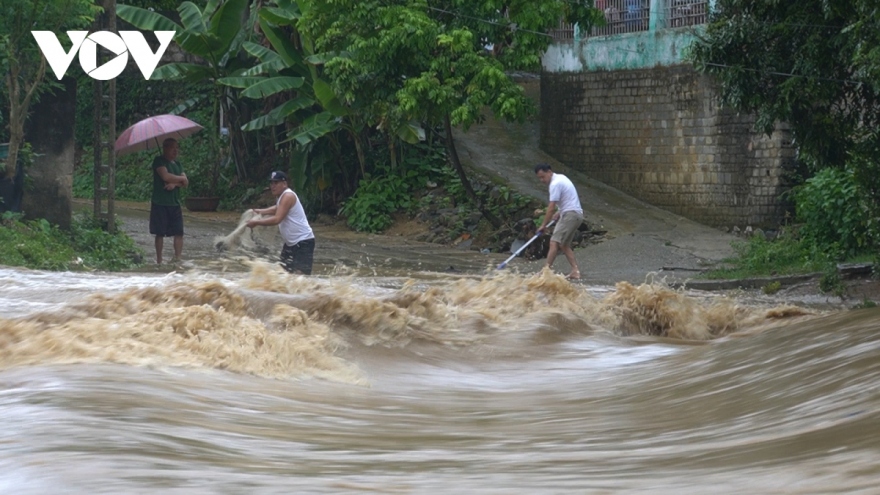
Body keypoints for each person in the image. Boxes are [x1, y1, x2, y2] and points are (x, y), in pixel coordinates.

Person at [247, 171, 316, 275]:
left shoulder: (288, 196)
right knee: (284, 275)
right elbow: (277, 208)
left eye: (276, 183)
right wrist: (260, 211)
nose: (273, 186)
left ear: (284, 184)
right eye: (271, 183)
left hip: (303, 242)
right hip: (290, 244)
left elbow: (277, 219)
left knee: (300, 277)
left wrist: (256, 222)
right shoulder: (281, 196)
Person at [534, 163, 584, 280]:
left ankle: (545, 271)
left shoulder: (555, 184)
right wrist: (560, 211)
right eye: (539, 178)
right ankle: (575, 271)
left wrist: (543, 225)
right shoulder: (561, 177)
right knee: (563, 244)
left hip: (570, 215)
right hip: (575, 214)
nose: (542, 180)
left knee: (554, 242)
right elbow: (567, 198)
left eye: (543, 177)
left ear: (549, 172)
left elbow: (551, 208)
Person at [150, 138, 188, 265]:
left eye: (177, 147)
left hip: (175, 203)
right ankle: (159, 260)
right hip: (160, 202)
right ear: (165, 148)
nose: (175, 151)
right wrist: (180, 179)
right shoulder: (159, 161)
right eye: (172, 147)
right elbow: (165, 176)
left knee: (179, 232)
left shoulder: (178, 164)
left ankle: (178, 258)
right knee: (159, 233)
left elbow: (186, 182)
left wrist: (174, 184)